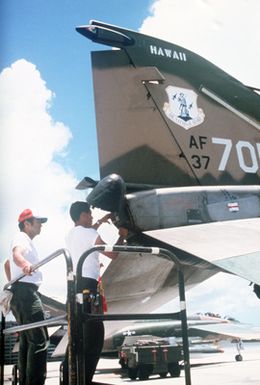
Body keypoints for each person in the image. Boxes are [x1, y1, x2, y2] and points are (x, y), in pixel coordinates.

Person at [65, 201, 128, 384]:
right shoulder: (90, 233)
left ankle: (70, 379)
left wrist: (100, 221)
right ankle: (85, 380)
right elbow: (112, 254)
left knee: (77, 337)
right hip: (88, 288)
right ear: (83, 216)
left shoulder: (72, 234)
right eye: (90, 215)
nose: (91, 217)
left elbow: (88, 232)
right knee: (95, 338)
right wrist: (121, 236)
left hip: (74, 288)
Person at [9, 208, 49, 385]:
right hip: (26, 292)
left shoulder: (26, 241)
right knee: (40, 341)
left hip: (21, 291)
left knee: (28, 340)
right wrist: (25, 264)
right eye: (37, 221)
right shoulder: (21, 239)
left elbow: (6, 263)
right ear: (27, 224)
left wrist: (12, 282)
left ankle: (26, 381)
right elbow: (16, 254)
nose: (41, 225)